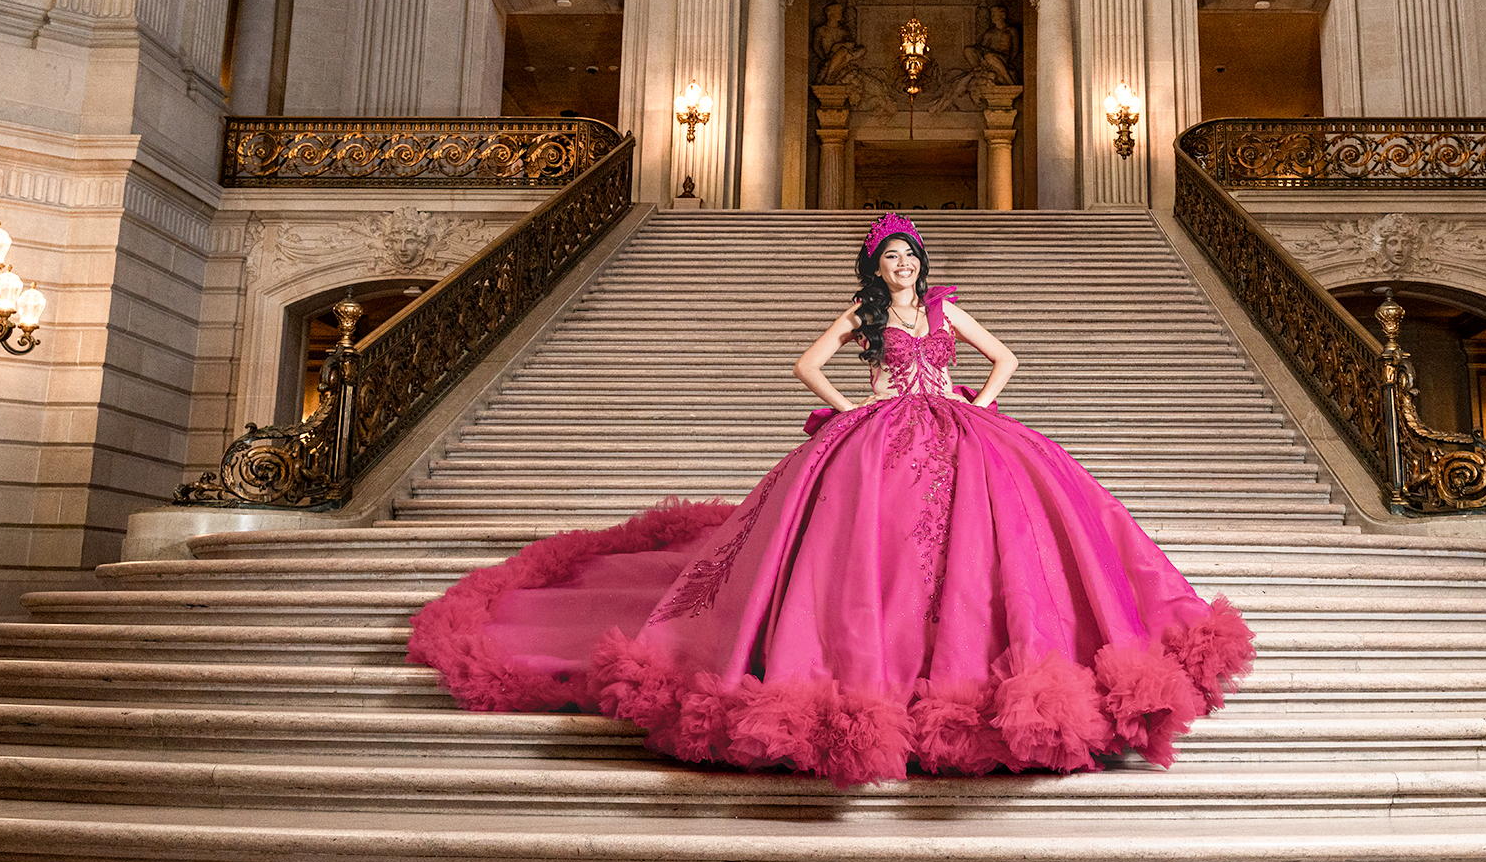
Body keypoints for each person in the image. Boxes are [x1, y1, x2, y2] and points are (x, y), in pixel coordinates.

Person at [408, 213, 1253, 787]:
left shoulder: (944, 310)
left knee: (992, 551)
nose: (903, 265)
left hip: (959, 429)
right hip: (879, 434)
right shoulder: (864, 315)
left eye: (910, 256)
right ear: (874, 267)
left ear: (922, 264)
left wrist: (978, 404)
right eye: (891, 258)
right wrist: (856, 407)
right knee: (864, 551)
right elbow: (805, 365)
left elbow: (1008, 359)